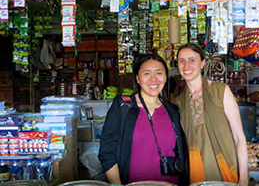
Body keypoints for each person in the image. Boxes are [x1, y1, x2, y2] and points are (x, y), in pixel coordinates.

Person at [99, 53, 189, 185]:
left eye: (159, 73)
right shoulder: (123, 107)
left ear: (165, 77)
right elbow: (107, 151)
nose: (154, 79)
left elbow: (181, 151)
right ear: (137, 78)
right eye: (146, 73)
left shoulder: (173, 111)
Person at [175, 43, 248, 186]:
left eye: (192, 60)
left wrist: (244, 179)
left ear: (202, 63)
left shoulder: (220, 91)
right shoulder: (178, 102)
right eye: (181, 61)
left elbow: (239, 138)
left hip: (225, 167)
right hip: (195, 173)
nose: (186, 66)